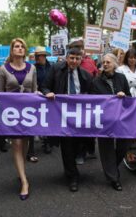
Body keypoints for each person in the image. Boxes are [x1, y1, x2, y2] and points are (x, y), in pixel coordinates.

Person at [42, 47, 92, 192]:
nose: (74, 61)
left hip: (79, 115)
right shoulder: (56, 69)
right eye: (71, 58)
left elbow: (93, 93)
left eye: (77, 59)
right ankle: (72, 177)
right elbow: (44, 86)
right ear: (67, 57)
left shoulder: (85, 75)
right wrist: (48, 92)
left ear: (81, 59)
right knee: (67, 145)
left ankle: (72, 169)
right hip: (61, 114)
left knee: (77, 145)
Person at [0, 38, 37, 200]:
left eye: (22, 46)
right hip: (12, 112)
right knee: (17, 144)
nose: (20, 49)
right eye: (16, 46)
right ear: (12, 50)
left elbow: (35, 89)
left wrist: (41, 95)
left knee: (26, 143)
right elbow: (0, 92)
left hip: (28, 112)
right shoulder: (3, 69)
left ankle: (22, 173)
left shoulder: (32, 68)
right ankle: (24, 182)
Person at [89, 53, 131, 191]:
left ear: (114, 64)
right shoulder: (96, 81)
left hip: (120, 118)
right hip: (104, 119)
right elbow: (93, 100)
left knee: (123, 145)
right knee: (106, 148)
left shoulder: (121, 78)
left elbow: (129, 97)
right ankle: (114, 178)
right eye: (103, 62)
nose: (105, 64)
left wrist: (123, 96)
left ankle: (111, 167)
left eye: (108, 62)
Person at [34, 46, 53, 154]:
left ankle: (47, 142)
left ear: (44, 56)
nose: (38, 57)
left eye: (40, 55)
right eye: (37, 55)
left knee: (48, 119)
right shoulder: (33, 68)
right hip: (38, 96)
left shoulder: (52, 67)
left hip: (50, 95)